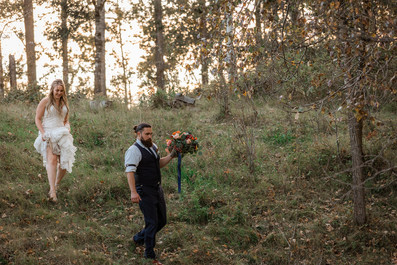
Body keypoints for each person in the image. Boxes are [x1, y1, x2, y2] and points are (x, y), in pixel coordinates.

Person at [125, 123, 177, 262]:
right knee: (152, 222)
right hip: (144, 189)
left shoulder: (152, 146)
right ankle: (149, 255)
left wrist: (172, 155)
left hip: (156, 189)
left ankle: (138, 238)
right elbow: (130, 172)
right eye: (146, 134)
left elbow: (157, 163)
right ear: (138, 134)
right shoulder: (133, 150)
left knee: (162, 221)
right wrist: (133, 192)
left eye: (151, 134)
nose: (149, 136)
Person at [34, 79, 77, 202]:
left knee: (64, 162)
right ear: (52, 89)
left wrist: (67, 127)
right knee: (52, 159)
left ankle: (56, 183)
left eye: (61, 91)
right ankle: (52, 191)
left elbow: (65, 119)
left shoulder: (64, 103)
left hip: (62, 132)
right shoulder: (45, 101)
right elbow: (37, 118)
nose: (59, 93)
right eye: (57, 90)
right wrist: (43, 133)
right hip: (49, 132)